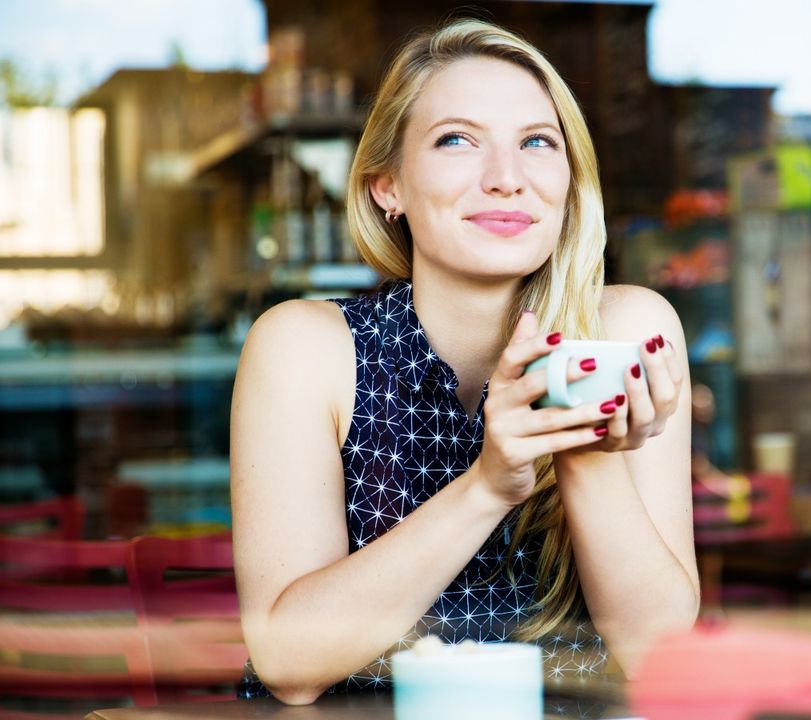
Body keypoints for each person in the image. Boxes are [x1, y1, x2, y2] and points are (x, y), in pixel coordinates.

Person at [229, 19, 697, 704]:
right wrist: (489, 484)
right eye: (457, 140)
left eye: (537, 143)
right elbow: (288, 666)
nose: (507, 179)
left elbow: (659, 661)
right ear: (387, 184)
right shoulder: (307, 348)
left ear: (569, 180)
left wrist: (582, 444)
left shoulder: (621, 332)